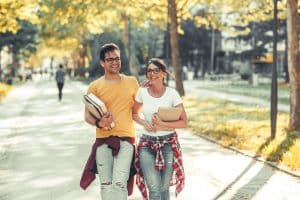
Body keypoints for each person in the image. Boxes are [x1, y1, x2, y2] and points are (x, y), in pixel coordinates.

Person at [80, 43, 139, 200]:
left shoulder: (132, 82)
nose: (115, 62)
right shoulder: (95, 86)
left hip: (126, 140)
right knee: (106, 184)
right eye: (110, 59)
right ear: (102, 63)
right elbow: (87, 116)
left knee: (119, 183)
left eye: (117, 59)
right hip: (103, 140)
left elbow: (136, 111)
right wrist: (100, 123)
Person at [133, 58, 188, 200]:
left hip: (168, 144)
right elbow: (133, 113)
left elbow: (184, 122)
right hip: (146, 145)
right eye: (149, 70)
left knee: (164, 189)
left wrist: (163, 124)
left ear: (163, 73)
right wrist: (144, 123)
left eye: (156, 70)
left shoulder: (172, 94)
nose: (152, 73)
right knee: (154, 188)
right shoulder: (142, 92)